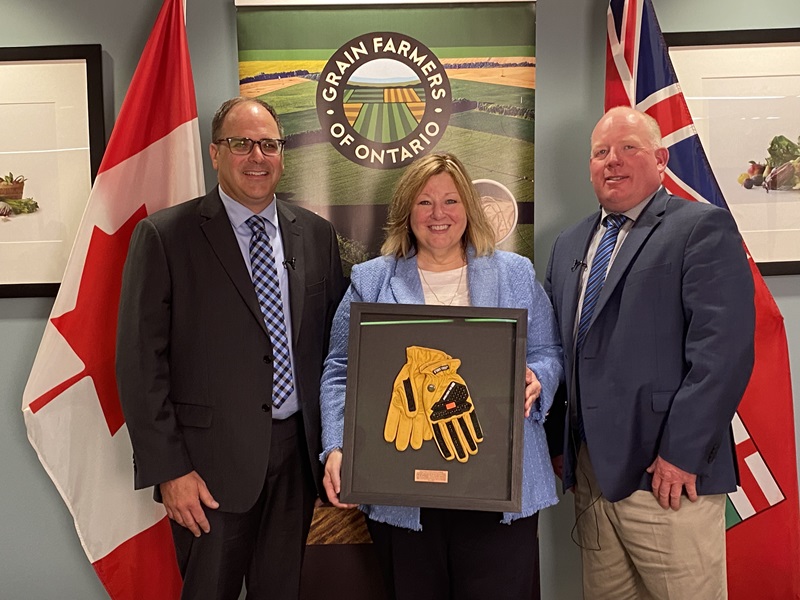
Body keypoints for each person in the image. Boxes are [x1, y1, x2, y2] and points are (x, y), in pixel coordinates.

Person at [116, 97, 346, 600]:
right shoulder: (165, 237)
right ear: (215, 153)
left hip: (295, 461)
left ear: (283, 155)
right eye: (241, 144)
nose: (256, 156)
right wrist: (170, 470)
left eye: (269, 144)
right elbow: (139, 365)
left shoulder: (316, 235)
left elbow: (336, 354)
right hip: (206, 468)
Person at [320, 153, 563, 600]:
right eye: (424, 202)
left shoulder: (514, 273)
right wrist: (336, 446)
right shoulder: (371, 281)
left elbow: (548, 352)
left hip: (500, 486)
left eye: (450, 201)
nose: (438, 215)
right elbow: (339, 369)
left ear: (469, 207)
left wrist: (538, 379)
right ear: (406, 212)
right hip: (401, 486)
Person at [545, 106, 755, 599]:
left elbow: (722, 354)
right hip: (592, 476)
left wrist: (680, 455)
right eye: (601, 152)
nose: (612, 161)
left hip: (666, 476)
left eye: (628, 148)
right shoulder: (569, 243)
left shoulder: (701, 228)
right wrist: (561, 444)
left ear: (660, 159)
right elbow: (556, 346)